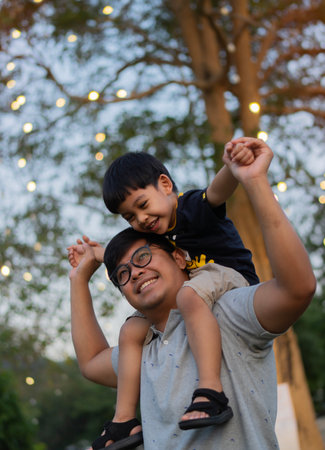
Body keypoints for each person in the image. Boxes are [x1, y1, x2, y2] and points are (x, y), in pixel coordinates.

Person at [68, 137, 316, 449]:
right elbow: (91, 361)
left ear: (178, 257)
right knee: (131, 326)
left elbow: (217, 193)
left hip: (228, 281)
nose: (135, 272)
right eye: (123, 275)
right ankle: (123, 422)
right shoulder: (147, 345)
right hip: (195, 292)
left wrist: (241, 171)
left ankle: (210, 390)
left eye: (142, 206)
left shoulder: (193, 216)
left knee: (189, 296)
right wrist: (80, 277)